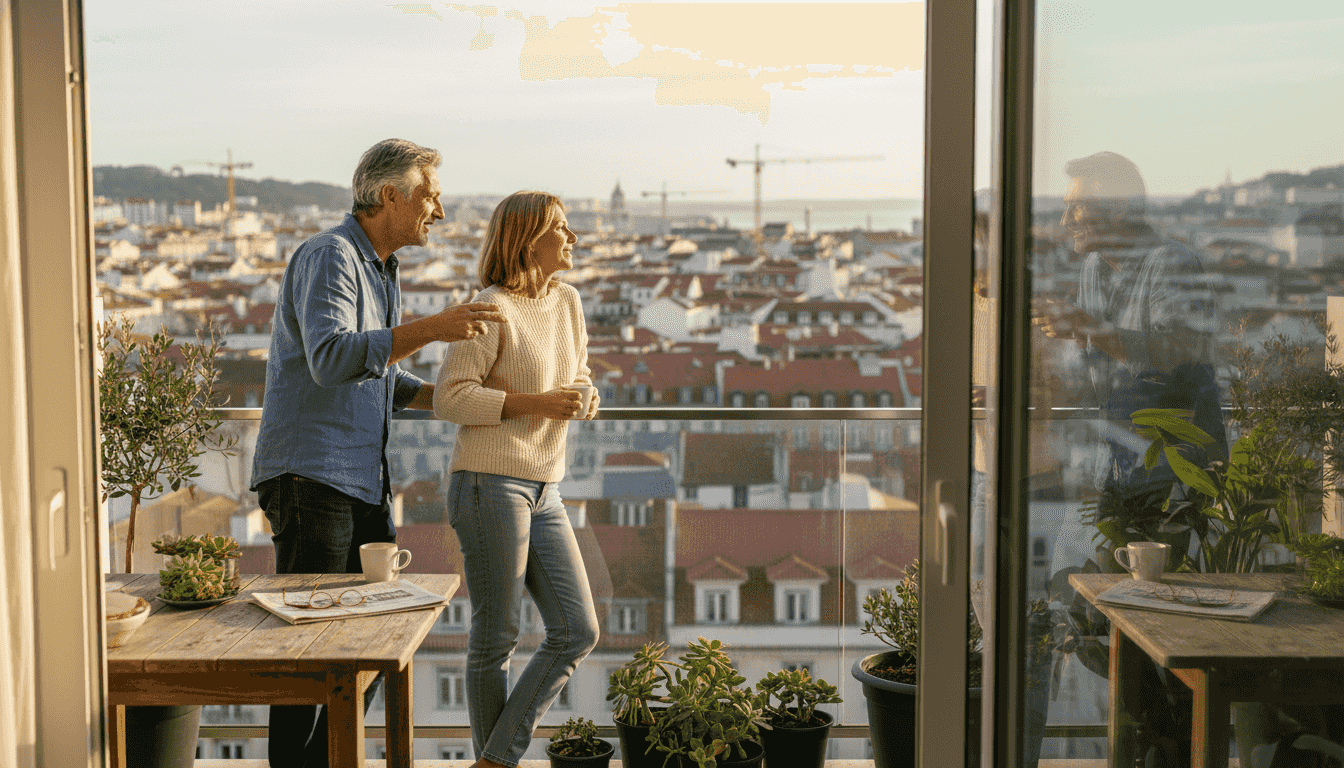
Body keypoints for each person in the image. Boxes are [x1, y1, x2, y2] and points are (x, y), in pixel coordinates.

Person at [249, 138, 506, 768]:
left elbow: (376, 378)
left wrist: (459, 398)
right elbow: (334, 357)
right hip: (313, 477)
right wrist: (433, 328)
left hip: (358, 480)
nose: (438, 212)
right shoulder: (331, 256)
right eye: (429, 197)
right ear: (389, 195)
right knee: (310, 653)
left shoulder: (379, 270)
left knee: (360, 644)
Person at [433, 190, 601, 768]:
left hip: (545, 485)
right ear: (526, 240)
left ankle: (494, 758)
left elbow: (577, 372)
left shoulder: (567, 302)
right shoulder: (490, 306)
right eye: (561, 227)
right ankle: (500, 761)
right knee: (497, 636)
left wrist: (585, 393)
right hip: (488, 483)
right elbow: (450, 399)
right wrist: (538, 402)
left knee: (577, 630)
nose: (572, 237)